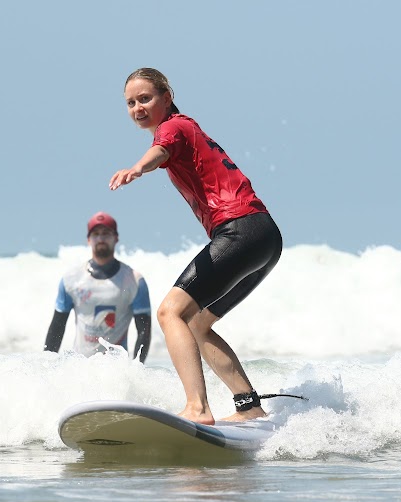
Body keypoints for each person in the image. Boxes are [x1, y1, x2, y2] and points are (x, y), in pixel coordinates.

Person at [109, 68, 282, 425]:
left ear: (167, 96)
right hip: (263, 237)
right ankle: (249, 407)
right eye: (130, 103)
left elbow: (159, 152)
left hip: (240, 230)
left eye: (145, 98)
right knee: (199, 324)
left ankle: (197, 408)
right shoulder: (185, 128)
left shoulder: (173, 127)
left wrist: (138, 168)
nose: (138, 107)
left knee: (171, 313)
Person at [44, 211, 152, 362]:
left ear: (116, 238)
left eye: (106, 233)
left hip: (116, 371)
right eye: (96, 234)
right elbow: (57, 327)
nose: (101, 238)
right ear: (89, 239)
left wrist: (136, 369)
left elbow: (144, 331)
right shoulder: (71, 279)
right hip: (79, 368)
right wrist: (47, 368)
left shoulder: (133, 280)